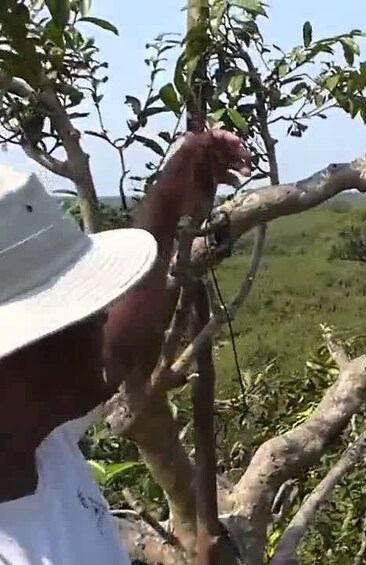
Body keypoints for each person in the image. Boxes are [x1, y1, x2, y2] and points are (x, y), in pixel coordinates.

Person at [0, 129, 251, 563]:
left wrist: (168, 204)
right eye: (71, 310)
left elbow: (116, 348)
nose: (100, 315)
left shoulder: (34, 441)